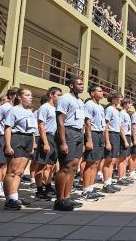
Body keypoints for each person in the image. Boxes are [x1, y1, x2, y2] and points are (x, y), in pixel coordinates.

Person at [3, 88, 35, 210]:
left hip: (28, 140)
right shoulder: (14, 110)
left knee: (20, 172)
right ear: (20, 97)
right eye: (27, 95)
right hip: (17, 138)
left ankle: (15, 197)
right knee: (12, 171)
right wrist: (8, 145)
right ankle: (9, 199)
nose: (30, 97)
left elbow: (32, 130)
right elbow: (8, 128)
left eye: (31, 95)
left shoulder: (30, 111)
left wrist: (33, 144)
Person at [55, 77, 85, 210]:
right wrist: (63, 142)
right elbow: (60, 121)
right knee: (65, 166)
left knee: (73, 167)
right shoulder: (64, 98)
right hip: (68, 132)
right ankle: (59, 200)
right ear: (71, 85)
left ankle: (67, 197)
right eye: (79, 84)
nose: (82, 86)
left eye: (83, 84)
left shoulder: (80, 101)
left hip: (78, 133)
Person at [33, 87, 62, 201]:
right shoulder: (45, 107)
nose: (60, 97)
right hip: (47, 137)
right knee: (41, 165)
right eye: (58, 95)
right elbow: (41, 126)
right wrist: (45, 143)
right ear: (51, 95)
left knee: (50, 165)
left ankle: (48, 186)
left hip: (55, 138)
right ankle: (39, 189)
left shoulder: (55, 108)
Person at [82, 85, 106, 201]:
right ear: (92, 93)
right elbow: (87, 123)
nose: (102, 93)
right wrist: (89, 140)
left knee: (96, 163)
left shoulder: (100, 106)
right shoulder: (89, 105)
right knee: (90, 163)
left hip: (99, 133)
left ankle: (91, 188)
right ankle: (86, 190)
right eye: (99, 91)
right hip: (93, 134)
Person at [0, 87, 18, 198]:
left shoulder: (16, 108)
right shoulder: (3, 107)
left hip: (12, 138)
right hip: (1, 137)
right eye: (16, 94)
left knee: (9, 165)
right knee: (1, 165)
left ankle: (7, 187)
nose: (18, 96)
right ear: (10, 96)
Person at [103, 91, 123, 193]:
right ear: (113, 98)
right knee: (108, 160)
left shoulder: (116, 110)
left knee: (113, 160)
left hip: (116, 135)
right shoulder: (109, 109)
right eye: (118, 98)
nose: (120, 100)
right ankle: (106, 183)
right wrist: (107, 141)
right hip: (110, 134)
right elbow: (105, 125)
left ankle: (109, 182)